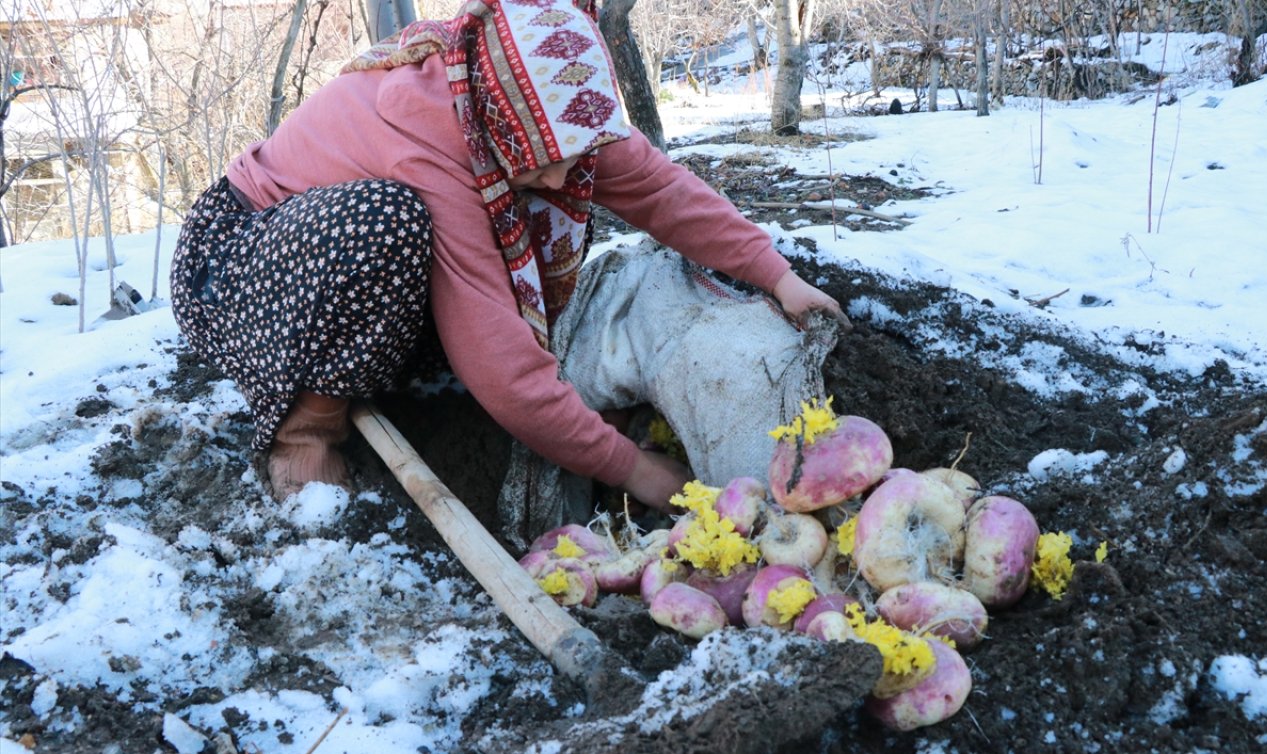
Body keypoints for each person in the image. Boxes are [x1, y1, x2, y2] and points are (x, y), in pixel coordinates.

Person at [170, 0, 849, 512]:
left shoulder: (557, 104)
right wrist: (631, 468)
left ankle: (381, 367)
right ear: (498, 126)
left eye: (571, 162)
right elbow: (501, 370)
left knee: (445, 246)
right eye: (543, 166)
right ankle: (303, 431)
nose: (560, 182)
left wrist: (778, 278)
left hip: (337, 277)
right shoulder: (432, 142)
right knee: (388, 226)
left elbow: (664, 193)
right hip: (238, 272)